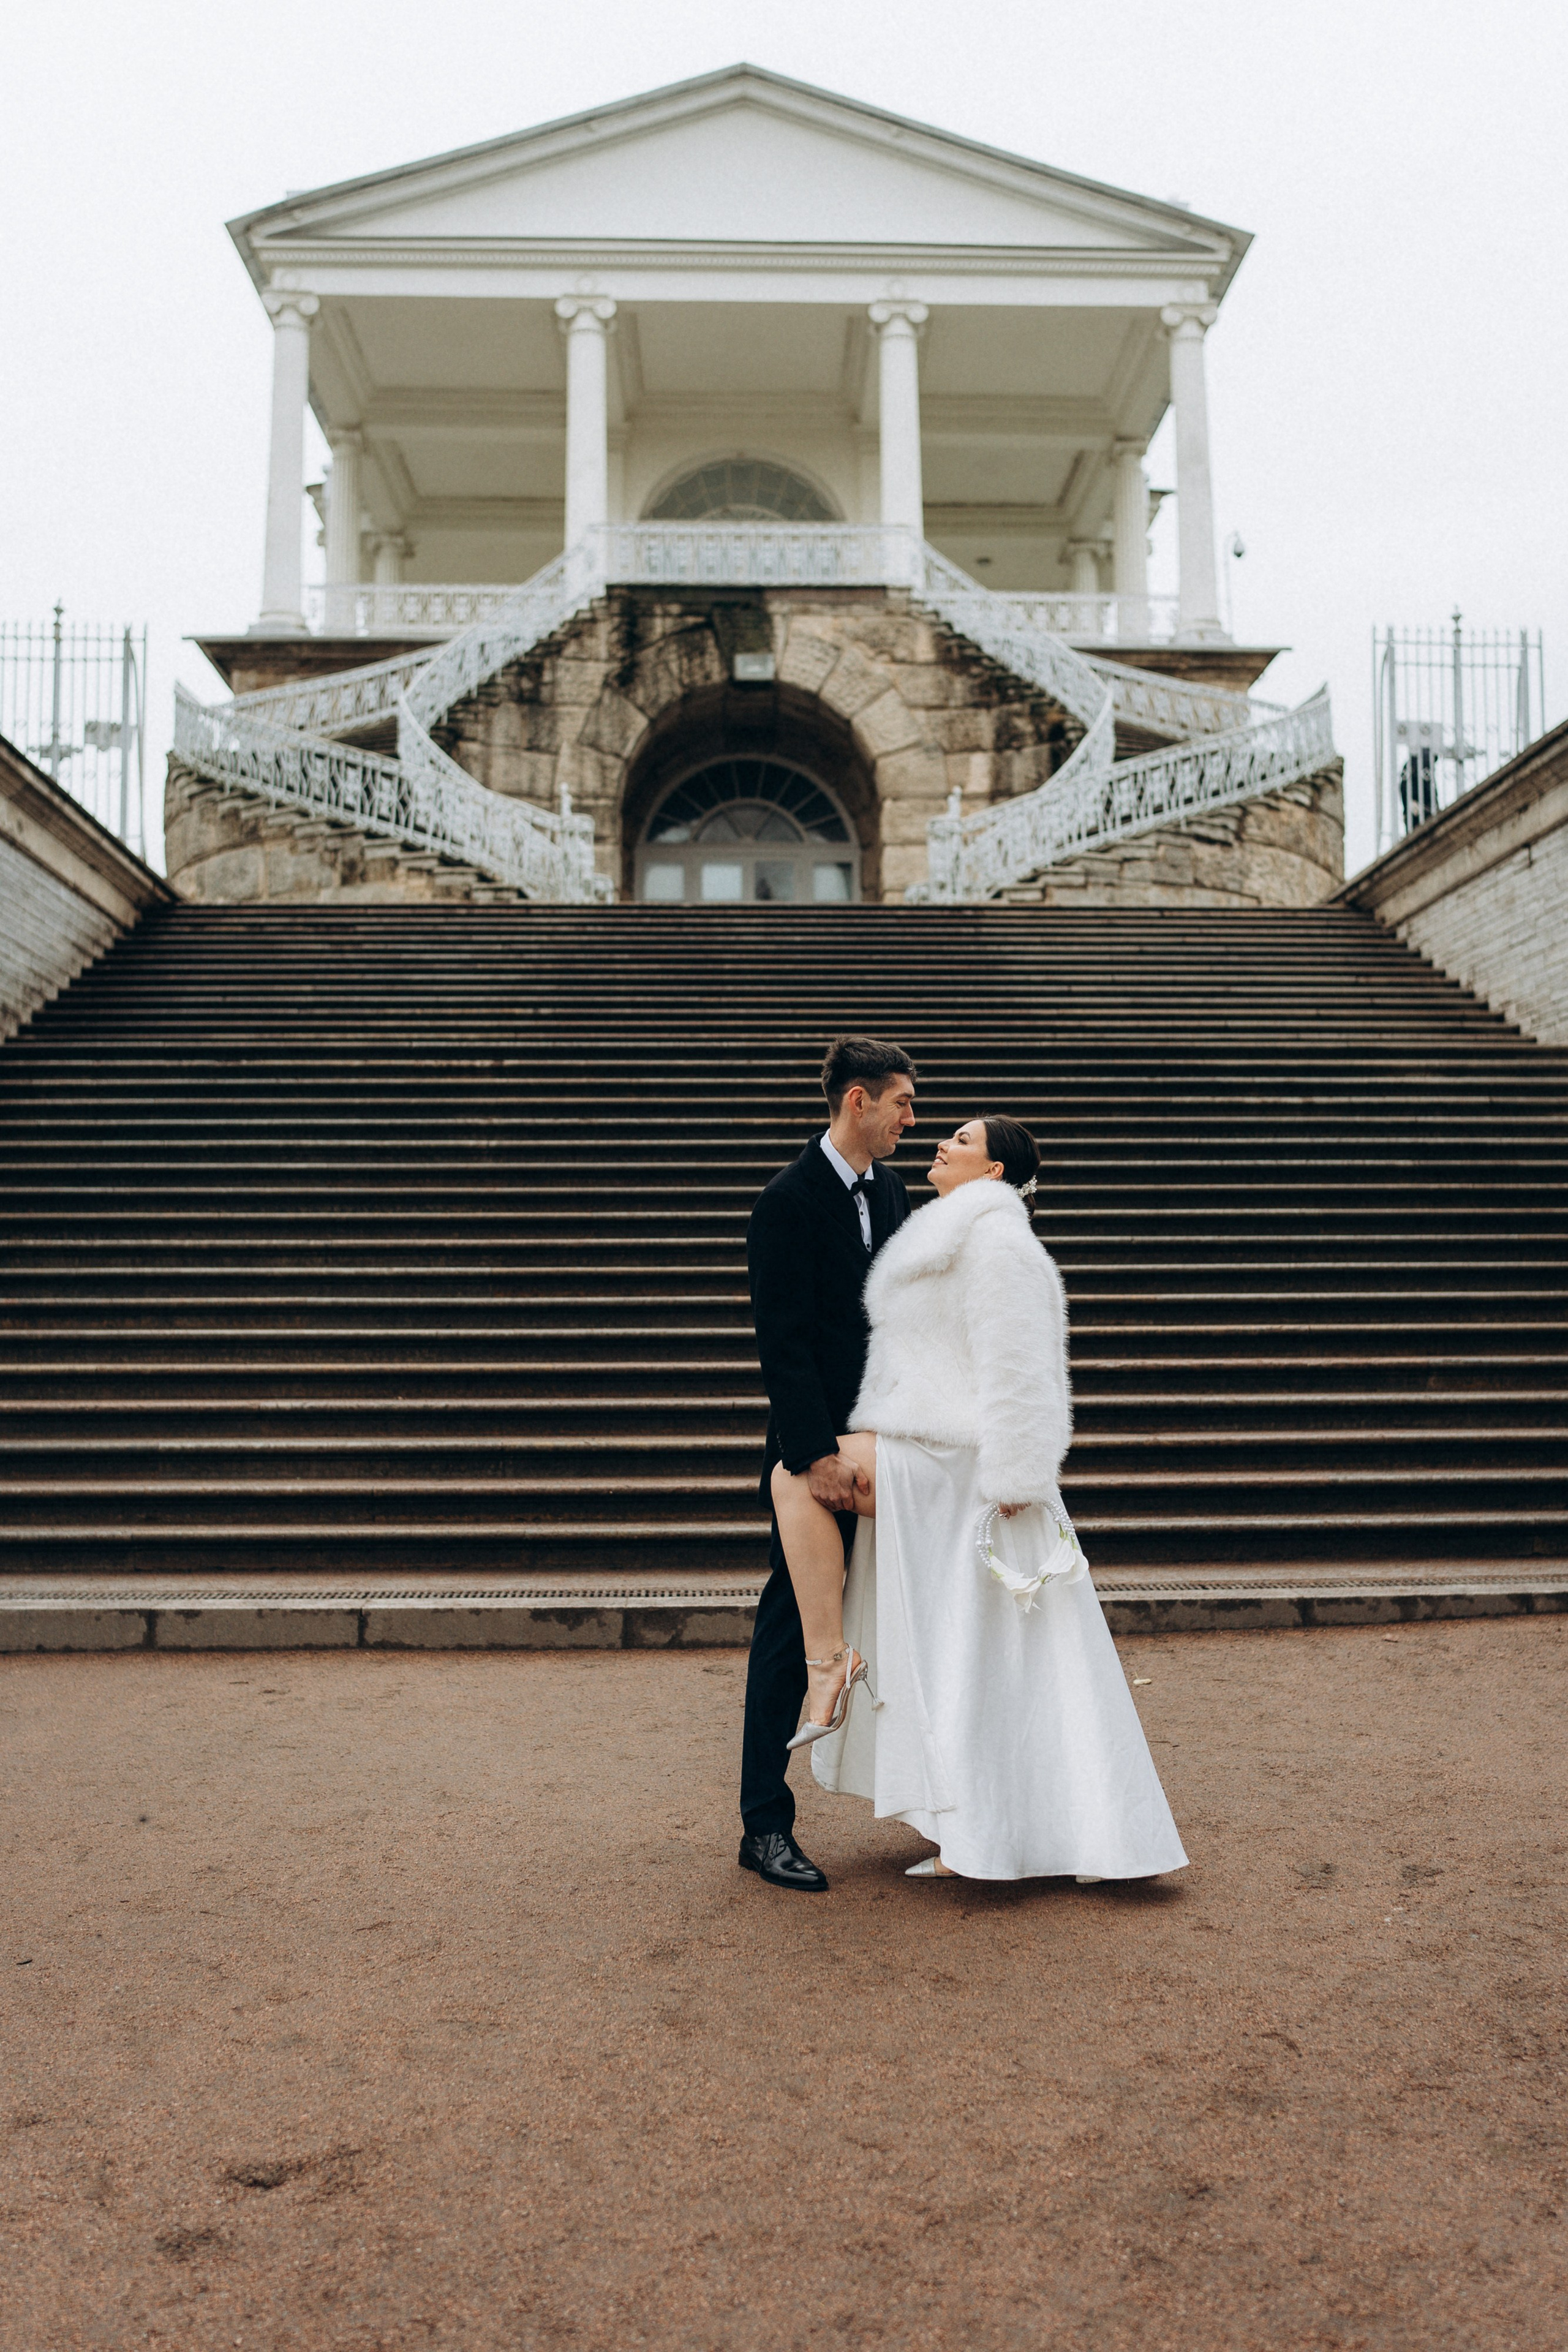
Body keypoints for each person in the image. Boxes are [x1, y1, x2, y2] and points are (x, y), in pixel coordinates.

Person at [775, 1114, 1188, 1885]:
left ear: (995, 1173)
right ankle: (971, 1831)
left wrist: (1017, 1480)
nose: (940, 1142)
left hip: (967, 1466)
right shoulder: (952, 1237)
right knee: (972, 1654)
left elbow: (1026, 1366)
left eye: (962, 1141)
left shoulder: (999, 1243)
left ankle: (829, 1664)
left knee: (801, 1477)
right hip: (934, 1449)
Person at [737, 1035, 916, 1894]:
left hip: (883, 1448)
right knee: (786, 1636)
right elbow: (784, 1339)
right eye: (901, 1104)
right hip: (816, 1459)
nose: (909, 1121)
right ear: (857, 1100)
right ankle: (764, 1826)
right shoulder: (786, 1200)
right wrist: (812, 1455)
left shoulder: (892, 1191)